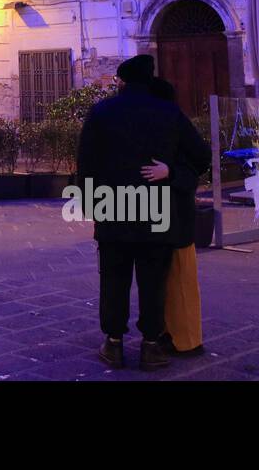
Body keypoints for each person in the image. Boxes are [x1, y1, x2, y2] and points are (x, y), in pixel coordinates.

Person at [76, 54, 190, 371]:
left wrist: (92, 206)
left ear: (122, 82)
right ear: (149, 79)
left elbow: (85, 164)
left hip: (113, 209)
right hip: (156, 211)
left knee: (113, 278)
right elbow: (199, 154)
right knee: (153, 281)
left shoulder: (101, 112)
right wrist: (172, 172)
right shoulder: (169, 112)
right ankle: (151, 345)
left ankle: (113, 343)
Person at [148, 76, 211, 358]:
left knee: (181, 277)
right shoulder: (158, 122)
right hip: (159, 212)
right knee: (167, 278)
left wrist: (170, 173)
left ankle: (188, 340)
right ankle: (170, 332)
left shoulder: (174, 121)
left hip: (177, 212)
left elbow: (200, 158)